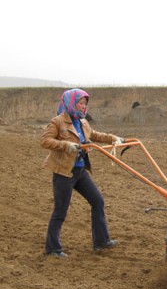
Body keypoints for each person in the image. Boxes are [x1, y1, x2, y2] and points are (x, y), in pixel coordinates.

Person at [40, 88, 124, 257]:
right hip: (64, 172)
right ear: (71, 102)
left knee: (97, 201)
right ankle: (52, 249)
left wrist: (113, 138)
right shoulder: (58, 122)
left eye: (85, 103)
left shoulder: (83, 122)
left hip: (80, 171)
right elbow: (45, 141)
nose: (83, 106)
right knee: (60, 211)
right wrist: (65, 145)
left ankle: (101, 241)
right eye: (80, 102)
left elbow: (94, 135)